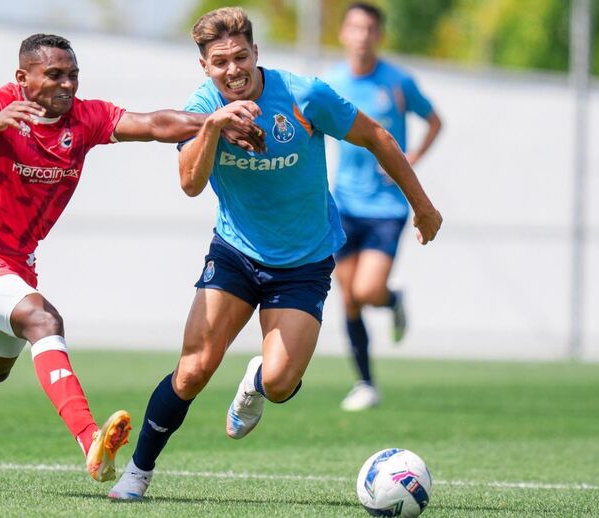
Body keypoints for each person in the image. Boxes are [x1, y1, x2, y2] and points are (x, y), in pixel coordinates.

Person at [0, 33, 264, 488]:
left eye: (73, 74)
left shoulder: (85, 117)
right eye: (54, 74)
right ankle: (91, 441)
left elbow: (153, 124)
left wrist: (213, 122)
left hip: (15, 267)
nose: (67, 84)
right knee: (44, 320)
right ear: (23, 78)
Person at [108, 7, 442, 500]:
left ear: (256, 53)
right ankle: (137, 473)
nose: (233, 70)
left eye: (240, 56)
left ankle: (256, 382)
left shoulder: (304, 95)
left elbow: (377, 137)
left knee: (281, 383)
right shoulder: (200, 107)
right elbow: (190, 185)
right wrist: (214, 126)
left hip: (303, 262)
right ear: (204, 67)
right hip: (237, 253)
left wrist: (423, 206)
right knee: (195, 367)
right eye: (220, 62)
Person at [323, 2, 443, 412]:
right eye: (355, 28)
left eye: (370, 29)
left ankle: (392, 301)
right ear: (343, 34)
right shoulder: (331, 83)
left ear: (379, 36)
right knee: (349, 297)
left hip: (386, 207)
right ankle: (365, 383)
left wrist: (410, 161)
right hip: (343, 204)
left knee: (368, 289)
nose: (362, 36)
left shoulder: (396, 82)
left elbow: (435, 121)